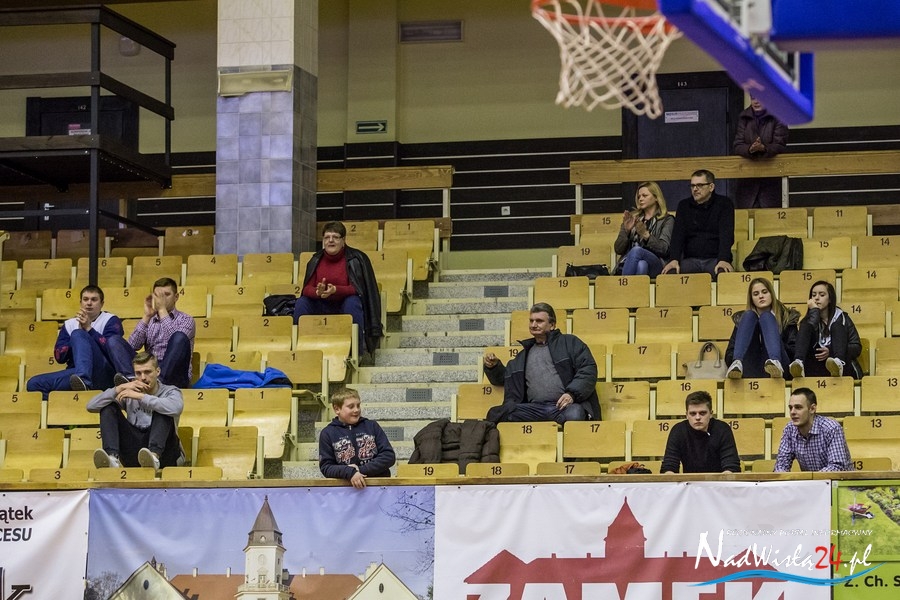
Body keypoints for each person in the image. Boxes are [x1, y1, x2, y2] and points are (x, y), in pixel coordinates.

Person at [483, 302, 599, 424]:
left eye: (539, 321)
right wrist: (494, 367)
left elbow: (588, 369)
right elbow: (504, 378)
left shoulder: (570, 343)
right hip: (533, 410)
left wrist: (572, 394)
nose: (533, 325)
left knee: (575, 413)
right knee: (496, 413)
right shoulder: (523, 354)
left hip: (563, 407)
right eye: (531, 321)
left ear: (552, 325)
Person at [293, 221, 383, 360]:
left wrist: (336, 290)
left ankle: (355, 353)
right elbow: (306, 289)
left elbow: (358, 289)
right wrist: (317, 292)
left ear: (343, 240)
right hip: (321, 304)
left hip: (344, 305)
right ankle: (300, 350)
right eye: (327, 237)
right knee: (302, 302)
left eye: (335, 237)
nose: (331, 241)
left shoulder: (357, 258)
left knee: (352, 302)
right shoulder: (315, 259)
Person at [26, 285, 131, 399]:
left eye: (94, 299)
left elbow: (114, 350)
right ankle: (72, 401)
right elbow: (59, 357)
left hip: (104, 372)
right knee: (34, 384)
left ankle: (84, 381)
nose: (89, 303)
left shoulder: (110, 320)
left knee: (78, 334)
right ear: (80, 302)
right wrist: (77, 340)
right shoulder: (69, 324)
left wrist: (89, 330)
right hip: (76, 375)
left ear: (102, 303)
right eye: (85, 299)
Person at [87, 352, 185, 473]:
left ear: (157, 372)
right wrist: (118, 388)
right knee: (108, 407)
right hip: (135, 453)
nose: (143, 377)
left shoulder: (170, 391)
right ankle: (112, 458)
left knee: (163, 408)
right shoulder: (128, 392)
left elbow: (176, 408)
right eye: (138, 373)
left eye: (148, 372)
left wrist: (141, 397)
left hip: (166, 453)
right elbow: (91, 406)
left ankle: (154, 457)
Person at [109, 277, 195, 389]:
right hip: (149, 368)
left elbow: (174, 341)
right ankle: (131, 380)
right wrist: (147, 316)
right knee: (114, 340)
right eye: (158, 296)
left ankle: (158, 383)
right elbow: (132, 346)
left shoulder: (186, 319)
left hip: (175, 373)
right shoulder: (150, 319)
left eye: (166, 295)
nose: (162, 299)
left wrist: (162, 310)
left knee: (179, 337)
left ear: (176, 297)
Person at [661, 169, 735, 278]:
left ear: (711, 187)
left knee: (724, 274)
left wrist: (723, 259)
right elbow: (677, 236)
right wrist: (674, 259)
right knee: (671, 274)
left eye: (699, 185)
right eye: (692, 186)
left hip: (715, 260)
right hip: (690, 260)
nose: (695, 189)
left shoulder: (724, 204)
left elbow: (726, 235)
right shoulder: (683, 206)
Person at [318, 387, 396, 489]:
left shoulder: (372, 426)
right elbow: (326, 467)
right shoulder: (327, 433)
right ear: (337, 409)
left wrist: (360, 470)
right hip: (346, 490)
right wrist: (349, 472)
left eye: (358, 405)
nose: (356, 410)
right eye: (351, 407)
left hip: (379, 487)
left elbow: (388, 456)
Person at [725, 277, 799, 379]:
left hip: (780, 367)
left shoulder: (787, 318)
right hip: (750, 366)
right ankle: (737, 363)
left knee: (767, 317)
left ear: (771, 294)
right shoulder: (743, 320)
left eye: (764, 292)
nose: (761, 296)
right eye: (756, 294)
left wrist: (776, 342)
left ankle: (775, 361)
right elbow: (729, 354)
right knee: (749, 315)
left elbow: (794, 352)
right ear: (751, 299)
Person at [789, 281, 862, 379]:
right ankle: (798, 362)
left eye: (822, 295)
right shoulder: (807, 322)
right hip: (815, 367)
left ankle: (838, 362)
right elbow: (802, 347)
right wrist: (814, 312)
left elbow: (856, 347)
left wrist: (831, 351)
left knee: (837, 326)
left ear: (830, 299)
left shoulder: (842, 318)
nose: (816, 298)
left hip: (843, 368)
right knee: (806, 326)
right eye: (813, 295)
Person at [660, 391, 741, 474]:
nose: (698, 417)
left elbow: (731, 467)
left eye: (702, 413)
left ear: (711, 414)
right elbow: (669, 466)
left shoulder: (722, 429)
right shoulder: (678, 431)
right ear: (686, 415)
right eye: (693, 414)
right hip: (689, 482)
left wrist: (723, 480)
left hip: (719, 481)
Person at [774, 388, 853, 472]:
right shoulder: (789, 429)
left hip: (842, 480)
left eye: (798, 407)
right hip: (810, 480)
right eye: (790, 408)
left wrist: (811, 478)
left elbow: (837, 467)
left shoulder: (831, 428)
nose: (792, 412)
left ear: (812, 409)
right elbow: (781, 465)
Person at [733, 96, 789, 209]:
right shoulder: (744, 117)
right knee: (745, 217)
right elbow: (737, 145)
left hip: (770, 178)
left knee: (770, 217)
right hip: (747, 179)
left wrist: (764, 148)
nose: (756, 101)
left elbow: (780, 145)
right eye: (753, 97)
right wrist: (750, 149)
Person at [613, 181, 674, 277]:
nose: (640, 199)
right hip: (632, 263)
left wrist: (646, 235)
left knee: (637, 250)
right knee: (641, 265)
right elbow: (618, 249)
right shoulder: (632, 218)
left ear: (656, 198)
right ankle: (633, 286)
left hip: (656, 263)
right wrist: (626, 231)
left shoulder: (667, 220)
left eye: (644, 196)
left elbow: (664, 249)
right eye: (639, 197)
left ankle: (624, 284)